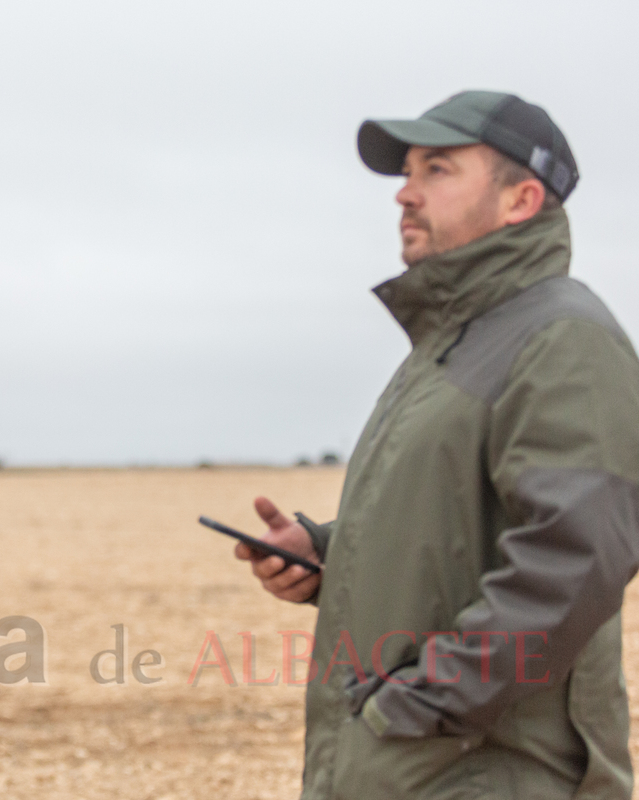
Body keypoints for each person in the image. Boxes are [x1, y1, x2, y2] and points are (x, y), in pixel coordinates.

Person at [235, 91, 639, 798]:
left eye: (437, 170)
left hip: (487, 774)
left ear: (521, 199)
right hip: (412, 770)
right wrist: (327, 556)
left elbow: (579, 556)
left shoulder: (561, 339)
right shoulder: (453, 348)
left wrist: (426, 702)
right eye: (408, 171)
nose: (405, 194)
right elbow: (453, 524)